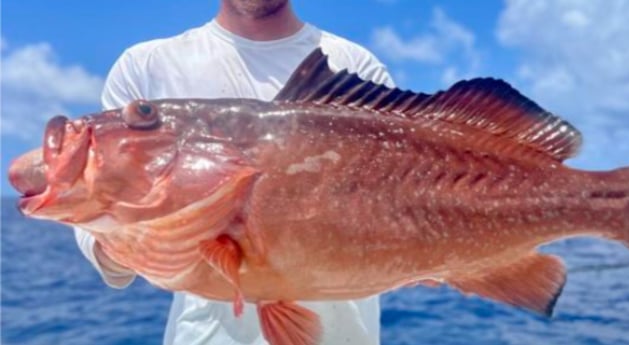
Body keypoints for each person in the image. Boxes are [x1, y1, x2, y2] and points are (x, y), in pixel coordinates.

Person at [73, 1, 395, 344]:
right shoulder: (146, 67)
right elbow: (101, 242)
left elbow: (398, 204)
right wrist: (130, 235)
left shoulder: (354, 65)